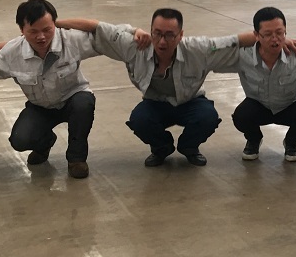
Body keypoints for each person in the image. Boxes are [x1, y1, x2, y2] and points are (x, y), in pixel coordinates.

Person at [58, 9, 254, 167]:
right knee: (139, 120)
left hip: (190, 102)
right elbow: (96, 27)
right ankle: (161, 148)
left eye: (169, 35)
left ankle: (189, 147)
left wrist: (271, 39)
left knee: (207, 117)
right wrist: (53, 24)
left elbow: (235, 41)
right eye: (157, 33)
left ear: (181, 35)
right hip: (156, 103)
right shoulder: (135, 47)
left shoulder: (198, 49)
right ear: (150, 31)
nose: (162, 41)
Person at [0, 0, 101, 180]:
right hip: (41, 107)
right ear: (21, 30)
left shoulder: (71, 40)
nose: (41, 37)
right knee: (20, 140)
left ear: (55, 24)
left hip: (72, 98)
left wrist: (130, 38)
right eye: (33, 31)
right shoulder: (12, 53)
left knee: (83, 104)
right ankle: (45, 143)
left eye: (47, 29)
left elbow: (107, 37)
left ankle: (76, 159)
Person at [228, 6, 296, 163]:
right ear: (256, 35)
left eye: (280, 33)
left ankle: (291, 142)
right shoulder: (242, 54)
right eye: (268, 34)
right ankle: (254, 140)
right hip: (258, 104)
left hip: (290, 105)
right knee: (241, 116)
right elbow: (214, 49)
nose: (275, 39)